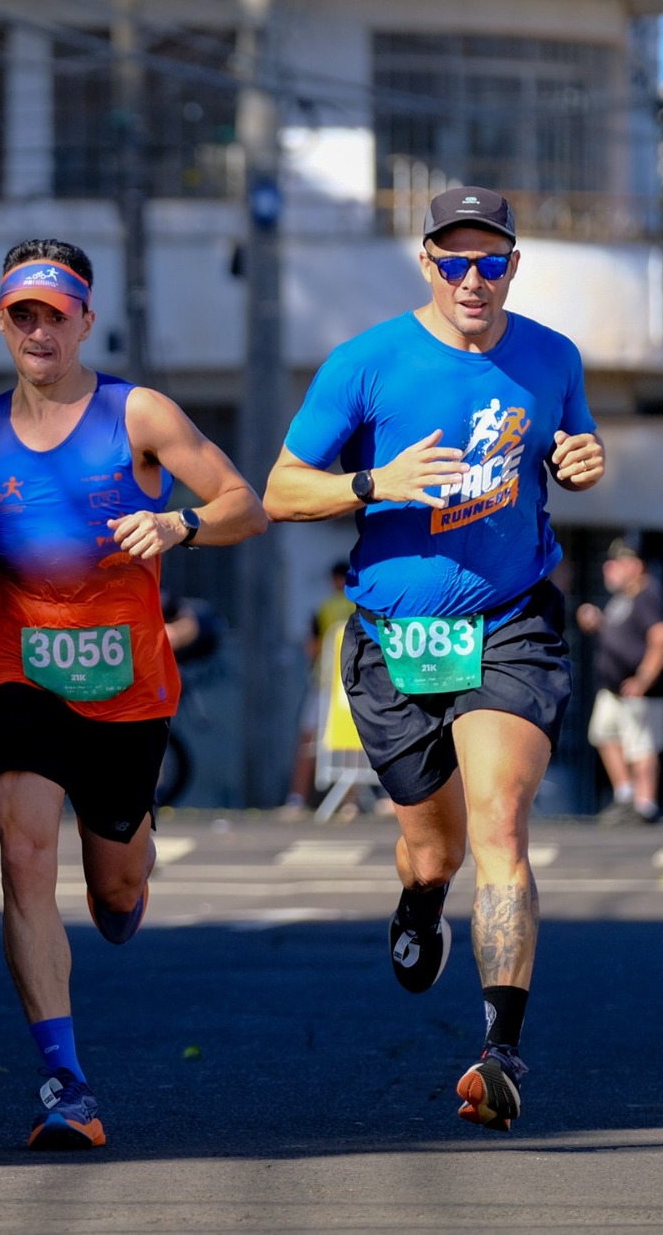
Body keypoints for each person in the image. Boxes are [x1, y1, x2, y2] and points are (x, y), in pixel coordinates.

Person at [0, 239, 266, 1151]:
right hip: (21, 672)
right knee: (24, 854)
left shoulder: (137, 414)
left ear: (83, 322)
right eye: (21, 316)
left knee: (114, 893)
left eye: (53, 316)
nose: (38, 332)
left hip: (127, 687)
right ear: (2, 324)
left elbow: (244, 504)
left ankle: (130, 855)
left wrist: (178, 522)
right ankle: (65, 1084)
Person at [262, 186, 605, 1133]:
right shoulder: (364, 363)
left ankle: (500, 1054)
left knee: (500, 825)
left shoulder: (551, 357)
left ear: (512, 267)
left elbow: (572, 447)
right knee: (436, 850)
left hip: (508, 624)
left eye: (488, 261)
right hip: (393, 639)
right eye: (453, 261)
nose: (471, 278)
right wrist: (375, 482)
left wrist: (583, 462)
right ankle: (419, 900)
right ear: (426, 264)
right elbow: (279, 491)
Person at [577, 538, 663, 824]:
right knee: (604, 734)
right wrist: (597, 622)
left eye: (615, 563)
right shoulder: (624, 598)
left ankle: (645, 805)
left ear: (635, 566)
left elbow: (662, 638)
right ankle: (625, 796)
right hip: (613, 689)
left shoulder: (648, 594)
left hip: (640, 690)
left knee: (641, 746)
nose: (608, 569)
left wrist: (643, 679)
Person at [285, 560, 357, 814]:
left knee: (309, 741)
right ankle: (349, 802)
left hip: (325, 685)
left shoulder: (324, 608)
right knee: (352, 745)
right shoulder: (362, 605)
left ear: (333, 580)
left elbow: (312, 648)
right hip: (356, 685)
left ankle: (297, 798)